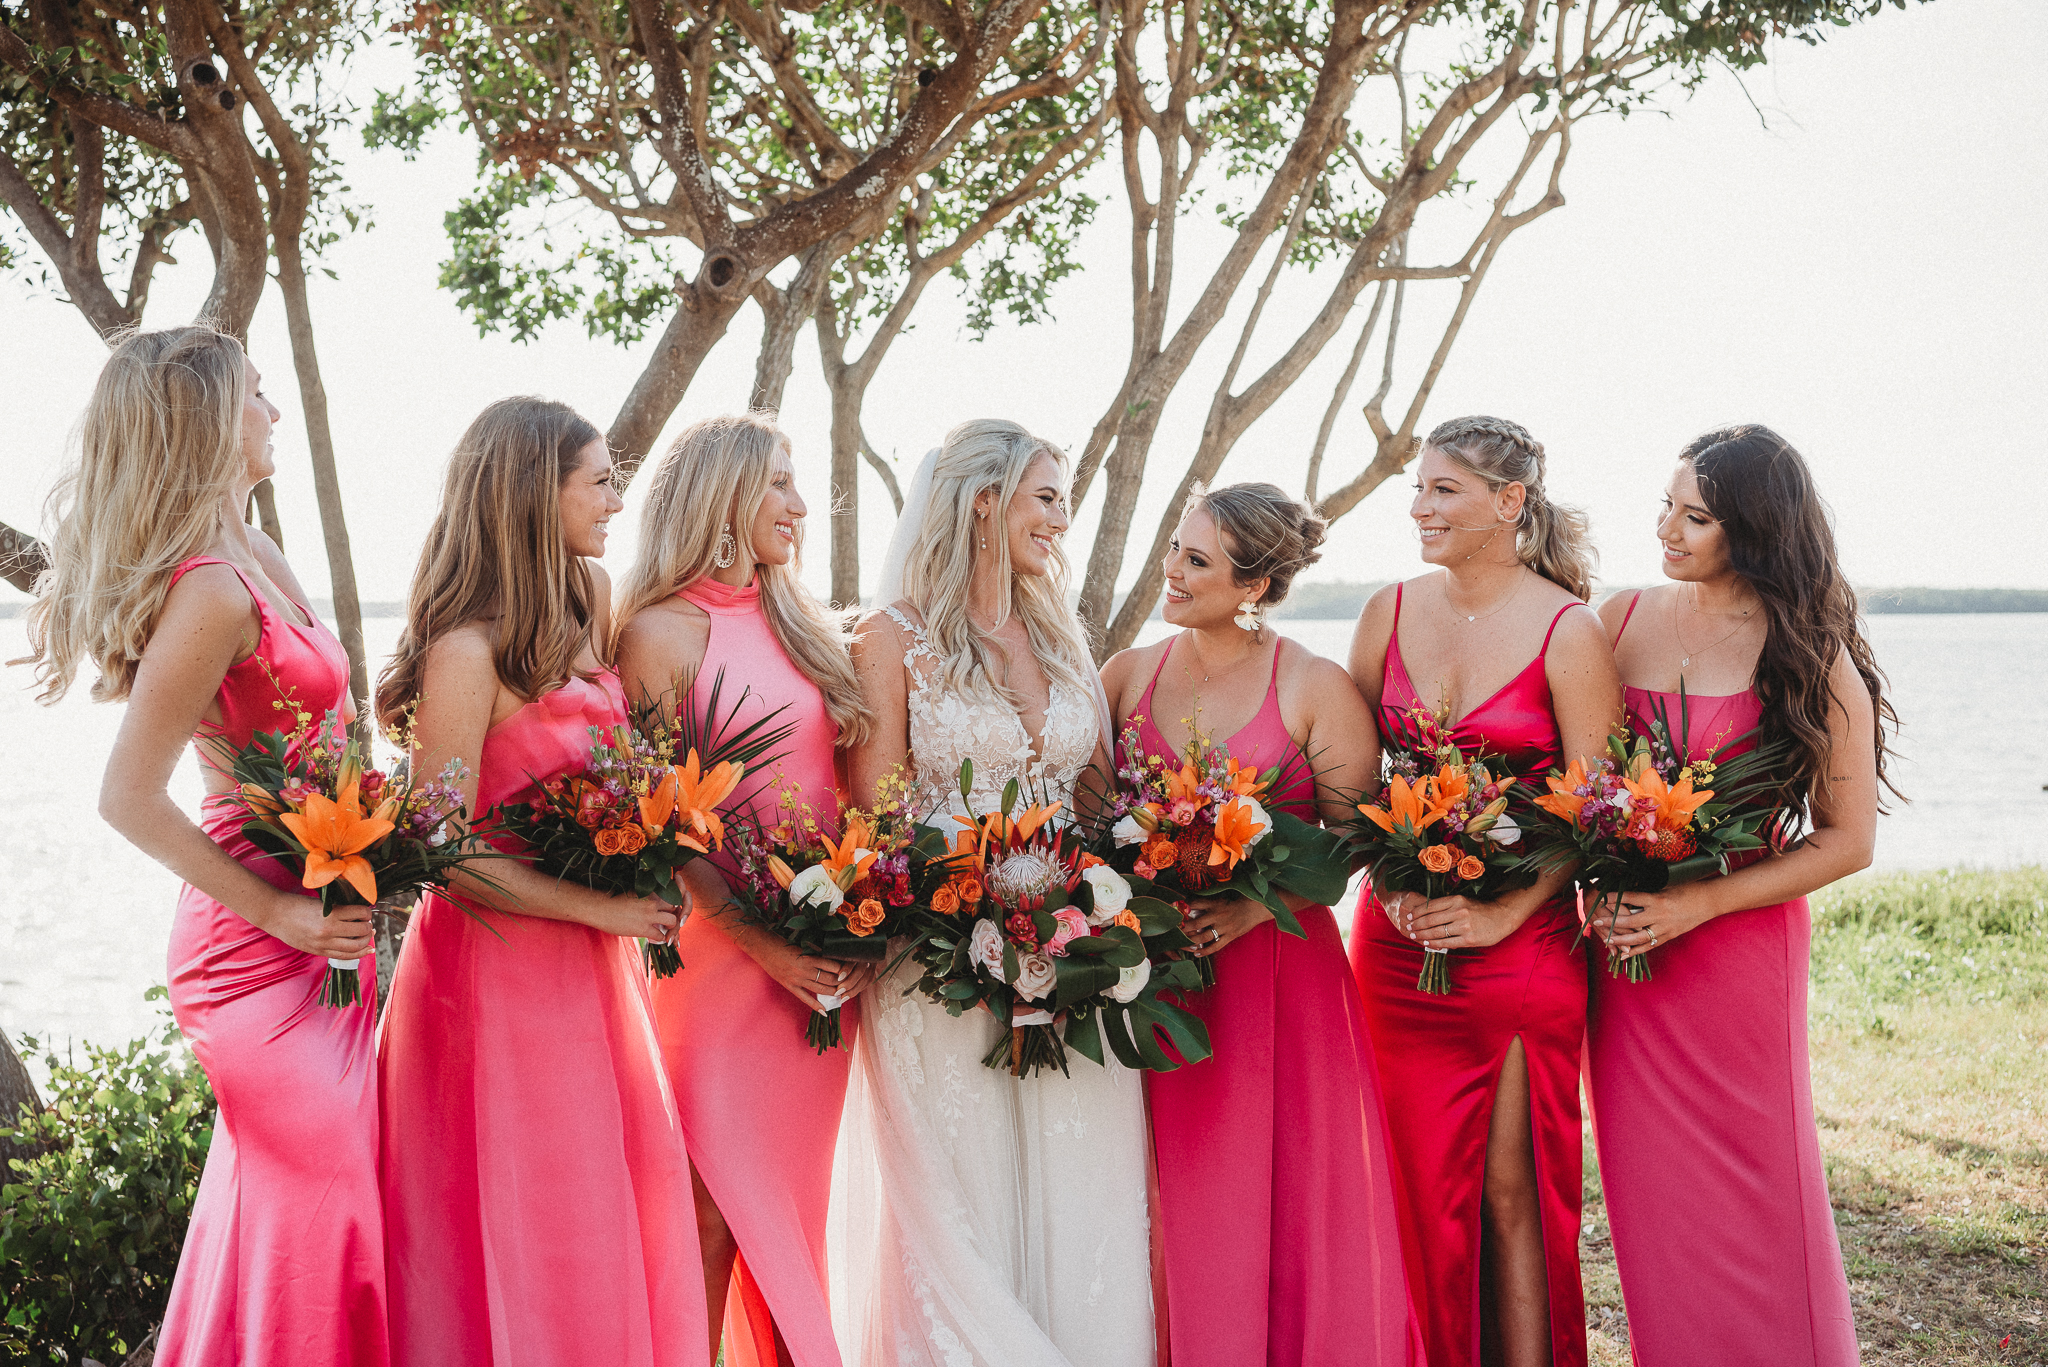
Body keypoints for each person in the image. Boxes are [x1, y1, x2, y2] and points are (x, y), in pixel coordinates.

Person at [22, 324, 389, 1364]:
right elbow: (126, 797)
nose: (272, 412)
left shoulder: (257, 552)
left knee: (293, 1216)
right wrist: (276, 908)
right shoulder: (210, 588)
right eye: (256, 395)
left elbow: (322, 734)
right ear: (206, 421)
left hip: (326, 922)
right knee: (337, 1198)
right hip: (248, 947)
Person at [374, 397, 707, 1366]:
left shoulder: (590, 597)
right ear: (533, 490)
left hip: (593, 968)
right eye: (598, 478)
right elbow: (441, 849)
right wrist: (598, 903)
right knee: (520, 1213)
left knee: (606, 1200)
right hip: (495, 975)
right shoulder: (463, 652)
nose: (616, 496)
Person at [830, 420, 1152, 1367]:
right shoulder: (889, 642)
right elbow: (880, 810)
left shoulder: (1057, 631)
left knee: (1076, 1179)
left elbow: (1093, 795)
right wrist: (968, 904)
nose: (1063, 518)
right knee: (958, 1199)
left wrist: (1088, 917)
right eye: (1047, 496)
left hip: (1068, 951)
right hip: (936, 957)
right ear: (983, 500)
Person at [1586, 426, 1891, 1366]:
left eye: (1698, 516)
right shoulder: (1617, 618)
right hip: (1630, 951)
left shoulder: (1807, 652)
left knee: (1764, 1185)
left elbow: (1849, 841)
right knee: (1652, 1196)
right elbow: (1579, 778)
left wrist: (1696, 907)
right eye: (1667, 506)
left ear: (1751, 528)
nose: (1669, 529)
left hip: (1737, 951)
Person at [1101, 483, 1420, 1366]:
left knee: (1280, 1191)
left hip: (1281, 983)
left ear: (1255, 584)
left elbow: (1355, 839)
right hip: (1157, 979)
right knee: (1173, 1189)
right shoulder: (1127, 674)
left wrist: (1252, 903)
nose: (1172, 568)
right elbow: (1089, 828)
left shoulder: (1315, 686)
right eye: (1175, 544)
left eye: (1196, 559)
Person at [1345, 416, 1622, 1367]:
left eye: (1443, 490)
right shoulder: (1386, 610)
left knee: (1512, 1193)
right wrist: (1383, 887)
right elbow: (1350, 783)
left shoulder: (1568, 627)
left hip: (1522, 948)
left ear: (1510, 502)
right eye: (1416, 489)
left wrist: (1505, 910)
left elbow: (1594, 811)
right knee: (1403, 1183)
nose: (1419, 507)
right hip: (1391, 947)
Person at [612, 412, 874, 1367]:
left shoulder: (804, 625)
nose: (799, 505)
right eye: (778, 482)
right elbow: (649, 824)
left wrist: (856, 920)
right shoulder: (655, 631)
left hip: (817, 966)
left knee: (792, 1210)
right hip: (716, 960)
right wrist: (758, 938)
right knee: (709, 1205)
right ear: (719, 493)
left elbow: (845, 787)